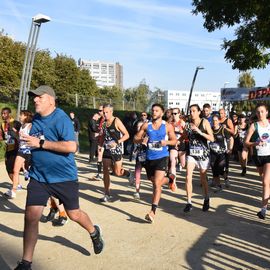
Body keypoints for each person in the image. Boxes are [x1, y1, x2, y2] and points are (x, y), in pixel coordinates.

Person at [14, 85, 104, 270]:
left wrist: (40, 143)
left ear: (51, 100)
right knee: (31, 216)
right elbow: (33, 141)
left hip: (64, 178)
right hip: (39, 177)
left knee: (74, 214)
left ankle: (94, 232)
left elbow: (72, 147)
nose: (35, 100)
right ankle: (26, 263)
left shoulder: (61, 118)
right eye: (34, 97)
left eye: (40, 97)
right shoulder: (37, 118)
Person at [134, 104, 177, 223]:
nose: (154, 112)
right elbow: (135, 138)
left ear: (162, 113)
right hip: (149, 158)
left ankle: (152, 211)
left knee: (157, 184)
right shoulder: (146, 125)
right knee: (153, 181)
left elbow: (175, 140)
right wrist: (142, 140)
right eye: (153, 110)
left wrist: (166, 142)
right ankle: (170, 179)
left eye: (157, 110)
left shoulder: (167, 126)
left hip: (162, 157)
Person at [179, 104, 214, 213]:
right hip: (192, 154)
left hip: (203, 155)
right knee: (188, 177)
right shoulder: (188, 124)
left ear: (199, 112)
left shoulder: (205, 122)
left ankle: (206, 198)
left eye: (194, 111)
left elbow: (211, 138)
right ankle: (189, 202)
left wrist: (199, 132)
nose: (192, 113)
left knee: (203, 179)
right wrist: (178, 140)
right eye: (191, 111)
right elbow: (184, 136)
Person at [99, 104, 131, 202]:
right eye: (103, 112)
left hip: (117, 149)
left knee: (117, 172)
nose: (105, 114)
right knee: (105, 169)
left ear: (111, 112)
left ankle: (128, 174)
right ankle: (107, 193)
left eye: (107, 112)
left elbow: (127, 135)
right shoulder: (104, 123)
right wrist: (100, 146)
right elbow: (104, 135)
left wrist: (116, 142)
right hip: (107, 149)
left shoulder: (116, 121)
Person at [245, 103, 270, 220]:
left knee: (265, 181)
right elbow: (246, 142)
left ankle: (263, 210)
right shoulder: (254, 126)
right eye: (258, 112)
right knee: (264, 180)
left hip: (269, 156)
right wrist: (255, 143)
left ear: (266, 112)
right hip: (258, 156)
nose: (260, 114)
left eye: (262, 111)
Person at [4, 110, 32, 199]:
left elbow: (35, 137)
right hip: (21, 150)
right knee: (15, 170)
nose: (20, 116)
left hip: (29, 151)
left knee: (33, 171)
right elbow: (18, 137)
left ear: (26, 116)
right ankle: (14, 191)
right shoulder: (22, 126)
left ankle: (27, 173)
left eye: (21, 115)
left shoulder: (30, 126)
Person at [209, 115, 233, 192]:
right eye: (213, 120)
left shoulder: (223, 130)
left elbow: (231, 139)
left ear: (219, 121)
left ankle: (226, 179)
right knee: (214, 169)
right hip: (212, 153)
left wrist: (230, 149)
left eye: (216, 120)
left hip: (221, 153)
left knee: (219, 168)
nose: (214, 122)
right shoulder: (210, 130)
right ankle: (219, 186)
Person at [219, 108, 235, 187]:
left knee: (227, 158)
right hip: (220, 142)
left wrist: (226, 128)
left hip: (228, 140)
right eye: (219, 113)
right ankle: (220, 177)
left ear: (225, 114)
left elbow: (233, 132)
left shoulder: (228, 120)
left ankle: (226, 176)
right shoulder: (217, 121)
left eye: (222, 113)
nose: (220, 115)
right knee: (220, 160)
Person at [169, 108, 186, 177]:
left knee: (183, 164)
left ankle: (179, 163)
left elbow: (186, 134)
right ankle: (173, 181)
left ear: (179, 114)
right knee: (173, 162)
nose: (173, 115)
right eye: (172, 113)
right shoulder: (170, 123)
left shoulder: (182, 122)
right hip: (173, 143)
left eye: (175, 113)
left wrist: (181, 131)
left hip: (181, 143)